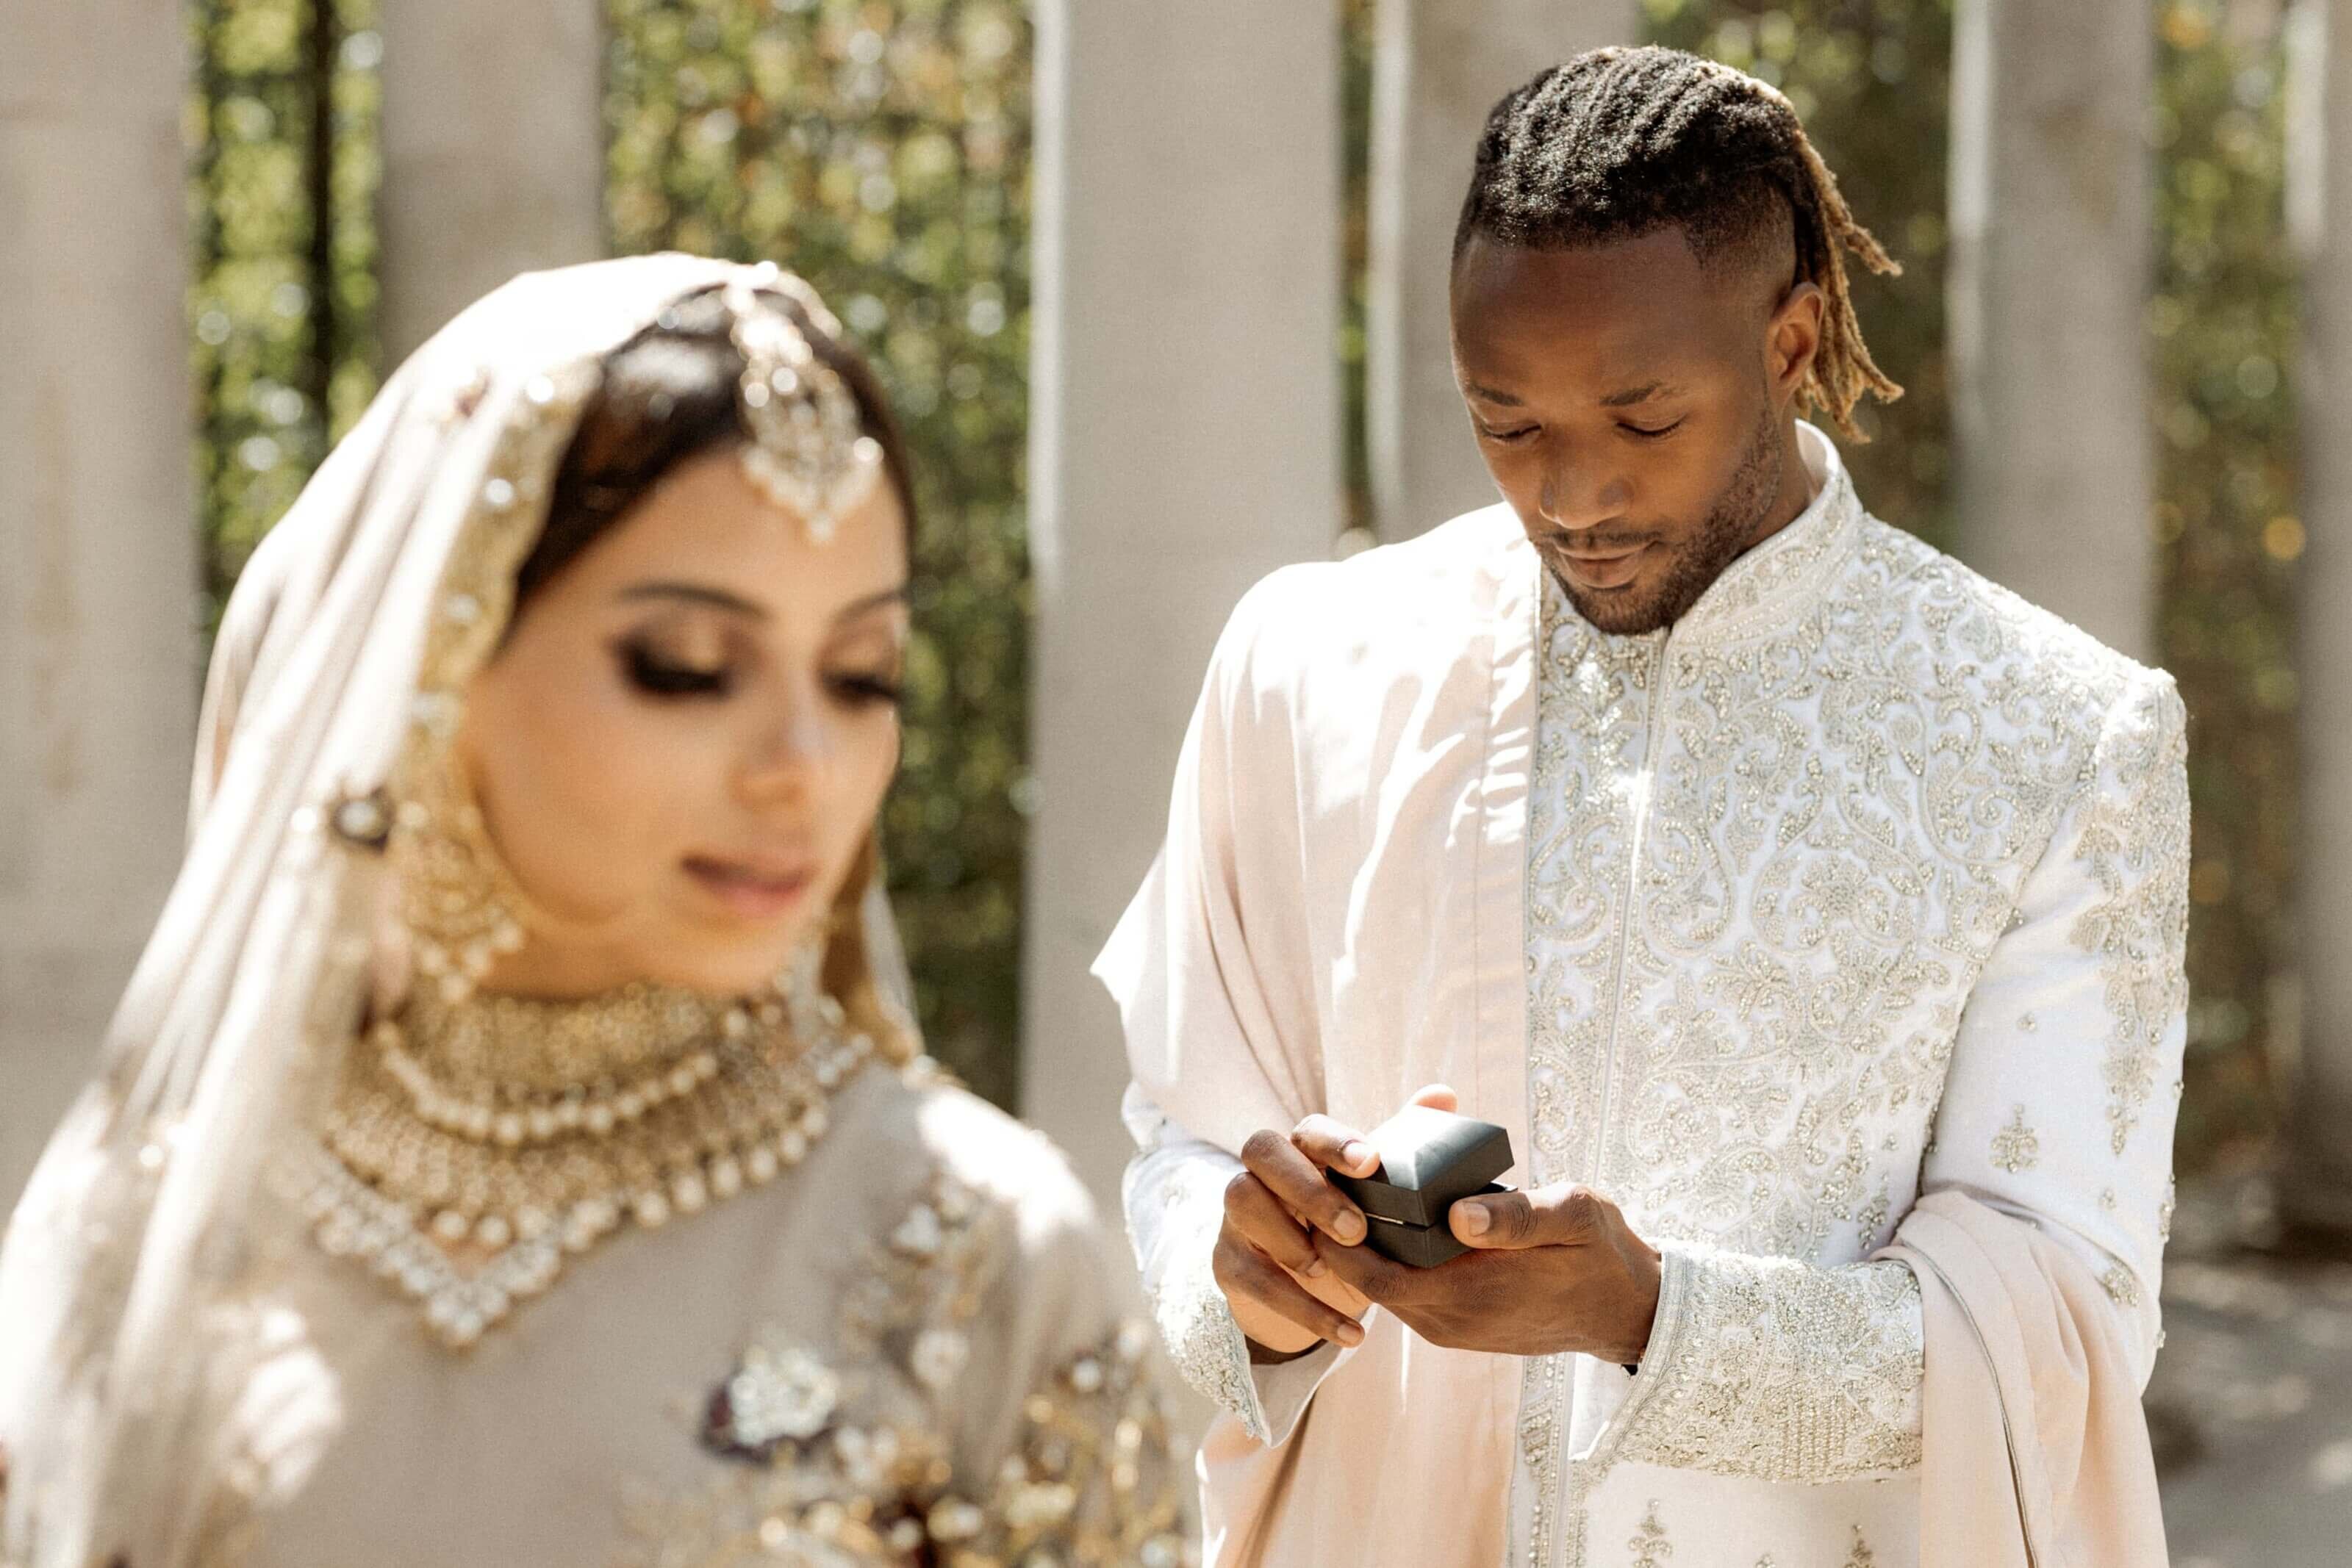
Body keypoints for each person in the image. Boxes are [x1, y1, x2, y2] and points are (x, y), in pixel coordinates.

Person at [1108, 46, 2184, 1568]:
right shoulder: (1304, 667)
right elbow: (1177, 1144)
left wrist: (1649, 1316)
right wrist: (1243, 1273)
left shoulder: (2053, 731)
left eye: (1640, 416)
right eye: (1508, 420)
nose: (1570, 495)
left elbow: (2069, 1330)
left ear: (1792, 340)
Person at [0, 255, 1190, 1568]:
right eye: (685, 667)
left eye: (863, 676)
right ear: (440, 669)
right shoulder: (162, 1225)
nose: (802, 760)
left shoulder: (966, 1251)